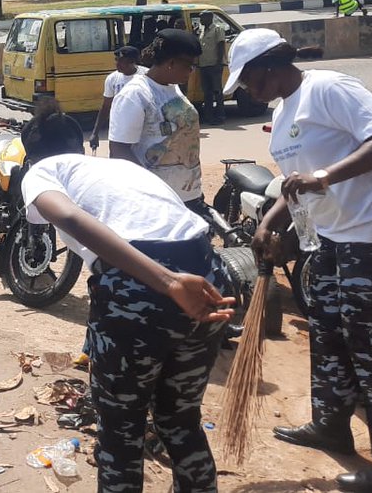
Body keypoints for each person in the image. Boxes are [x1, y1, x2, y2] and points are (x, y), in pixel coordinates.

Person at [226, 28, 372, 493]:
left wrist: (327, 177)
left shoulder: (328, 88)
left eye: (249, 79)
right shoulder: (283, 112)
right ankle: (331, 422)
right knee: (327, 325)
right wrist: (270, 221)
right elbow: (293, 179)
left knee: (370, 343)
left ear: (271, 65)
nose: (247, 90)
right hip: (333, 235)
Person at [19, 99, 233, 493]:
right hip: (207, 275)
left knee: (121, 428)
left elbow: (66, 218)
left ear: (32, 154)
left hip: (145, 287)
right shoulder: (120, 168)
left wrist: (166, 282)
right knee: (180, 417)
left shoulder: (42, 172)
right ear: (78, 144)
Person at [109, 28, 205, 211]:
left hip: (187, 196)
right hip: (154, 202)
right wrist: (151, 190)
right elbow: (119, 150)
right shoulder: (135, 95)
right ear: (171, 63)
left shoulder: (173, 88)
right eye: (189, 66)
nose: (192, 71)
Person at [89, 46, 146, 152]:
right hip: (119, 130)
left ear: (132, 62)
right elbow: (106, 107)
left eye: (121, 61)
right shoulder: (112, 79)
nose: (117, 64)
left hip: (142, 130)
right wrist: (95, 133)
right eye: (116, 60)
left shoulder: (146, 76)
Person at [195, 11, 227, 125]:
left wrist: (218, 62)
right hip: (204, 65)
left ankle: (220, 116)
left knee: (217, 92)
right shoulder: (202, 30)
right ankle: (209, 116)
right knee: (207, 93)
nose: (201, 21)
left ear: (209, 18)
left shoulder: (217, 29)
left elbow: (221, 46)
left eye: (202, 18)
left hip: (214, 65)